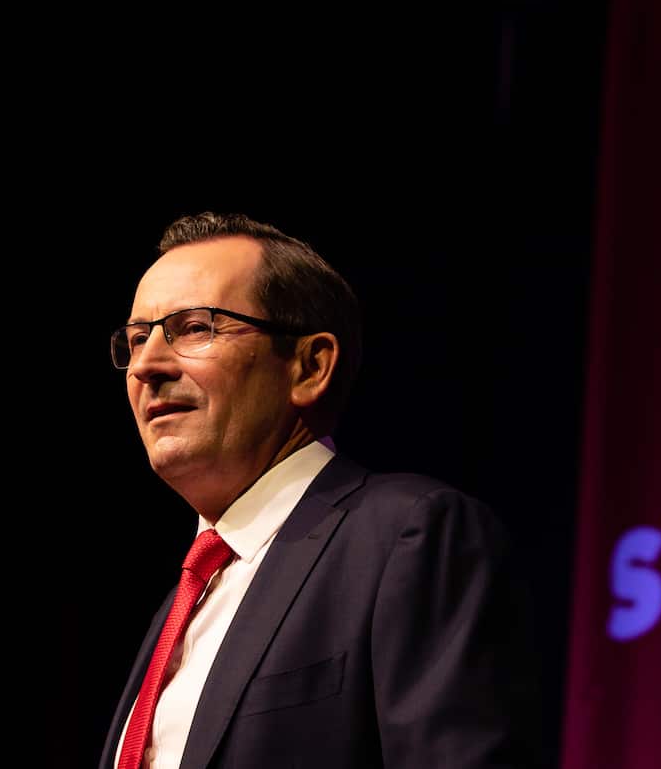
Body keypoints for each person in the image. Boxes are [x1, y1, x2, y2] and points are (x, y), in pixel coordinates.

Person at [98, 212, 542, 769]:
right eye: (137, 338)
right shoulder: (185, 601)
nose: (146, 366)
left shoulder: (407, 537)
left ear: (310, 366)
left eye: (195, 328)